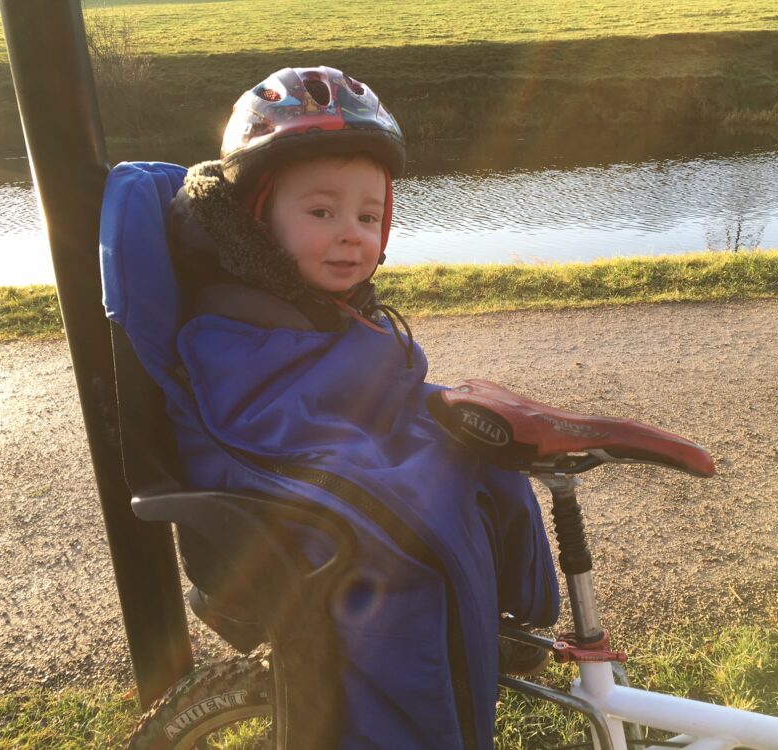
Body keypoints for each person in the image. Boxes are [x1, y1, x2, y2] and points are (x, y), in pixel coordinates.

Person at [165, 65, 559, 749]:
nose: (351, 234)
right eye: (321, 213)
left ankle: (504, 622)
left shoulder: (313, 304)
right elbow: (272, 424)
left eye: (368, 216)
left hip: (328, 458)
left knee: (482, 449)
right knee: (412, 539)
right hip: (270, 504)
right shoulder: (235, 320)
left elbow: (364, 387)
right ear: (257, 221)